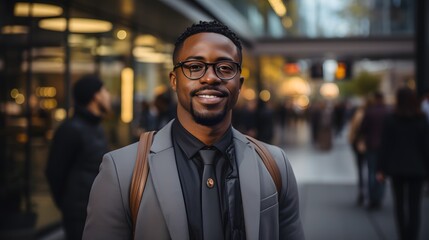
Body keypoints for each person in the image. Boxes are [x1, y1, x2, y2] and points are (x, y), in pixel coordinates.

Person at [83, 20, 304, 240]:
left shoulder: (275, 165)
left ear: (240, 84)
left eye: (225, 68)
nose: (210, 77)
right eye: (195, 67)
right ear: (174, 80)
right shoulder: (122, 172)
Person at [45, 75, 111, 240]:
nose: (108, 95)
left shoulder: (96, 127)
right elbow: (54, 172)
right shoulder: (70, 130)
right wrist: (69, 206)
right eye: (105, 91)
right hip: (79, 214)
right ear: (96, 96)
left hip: (97, 210)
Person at [377, 87, 429, 240]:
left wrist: (381, 169)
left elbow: (385, 145)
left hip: (397, 168)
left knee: (399, 204)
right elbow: (426, 146)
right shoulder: (421, 119)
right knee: (415, 206)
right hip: (417, 168)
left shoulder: (391, 119)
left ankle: (403, 235)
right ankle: (412, 235)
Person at [359, 91, 389, 210]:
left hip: (371, 145)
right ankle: (379, 196)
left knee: (371, 172)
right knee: (381, 173)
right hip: (384, 147)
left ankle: (372, 198)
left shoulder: (369, 112)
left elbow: (362, 128)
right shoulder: (388, 112)